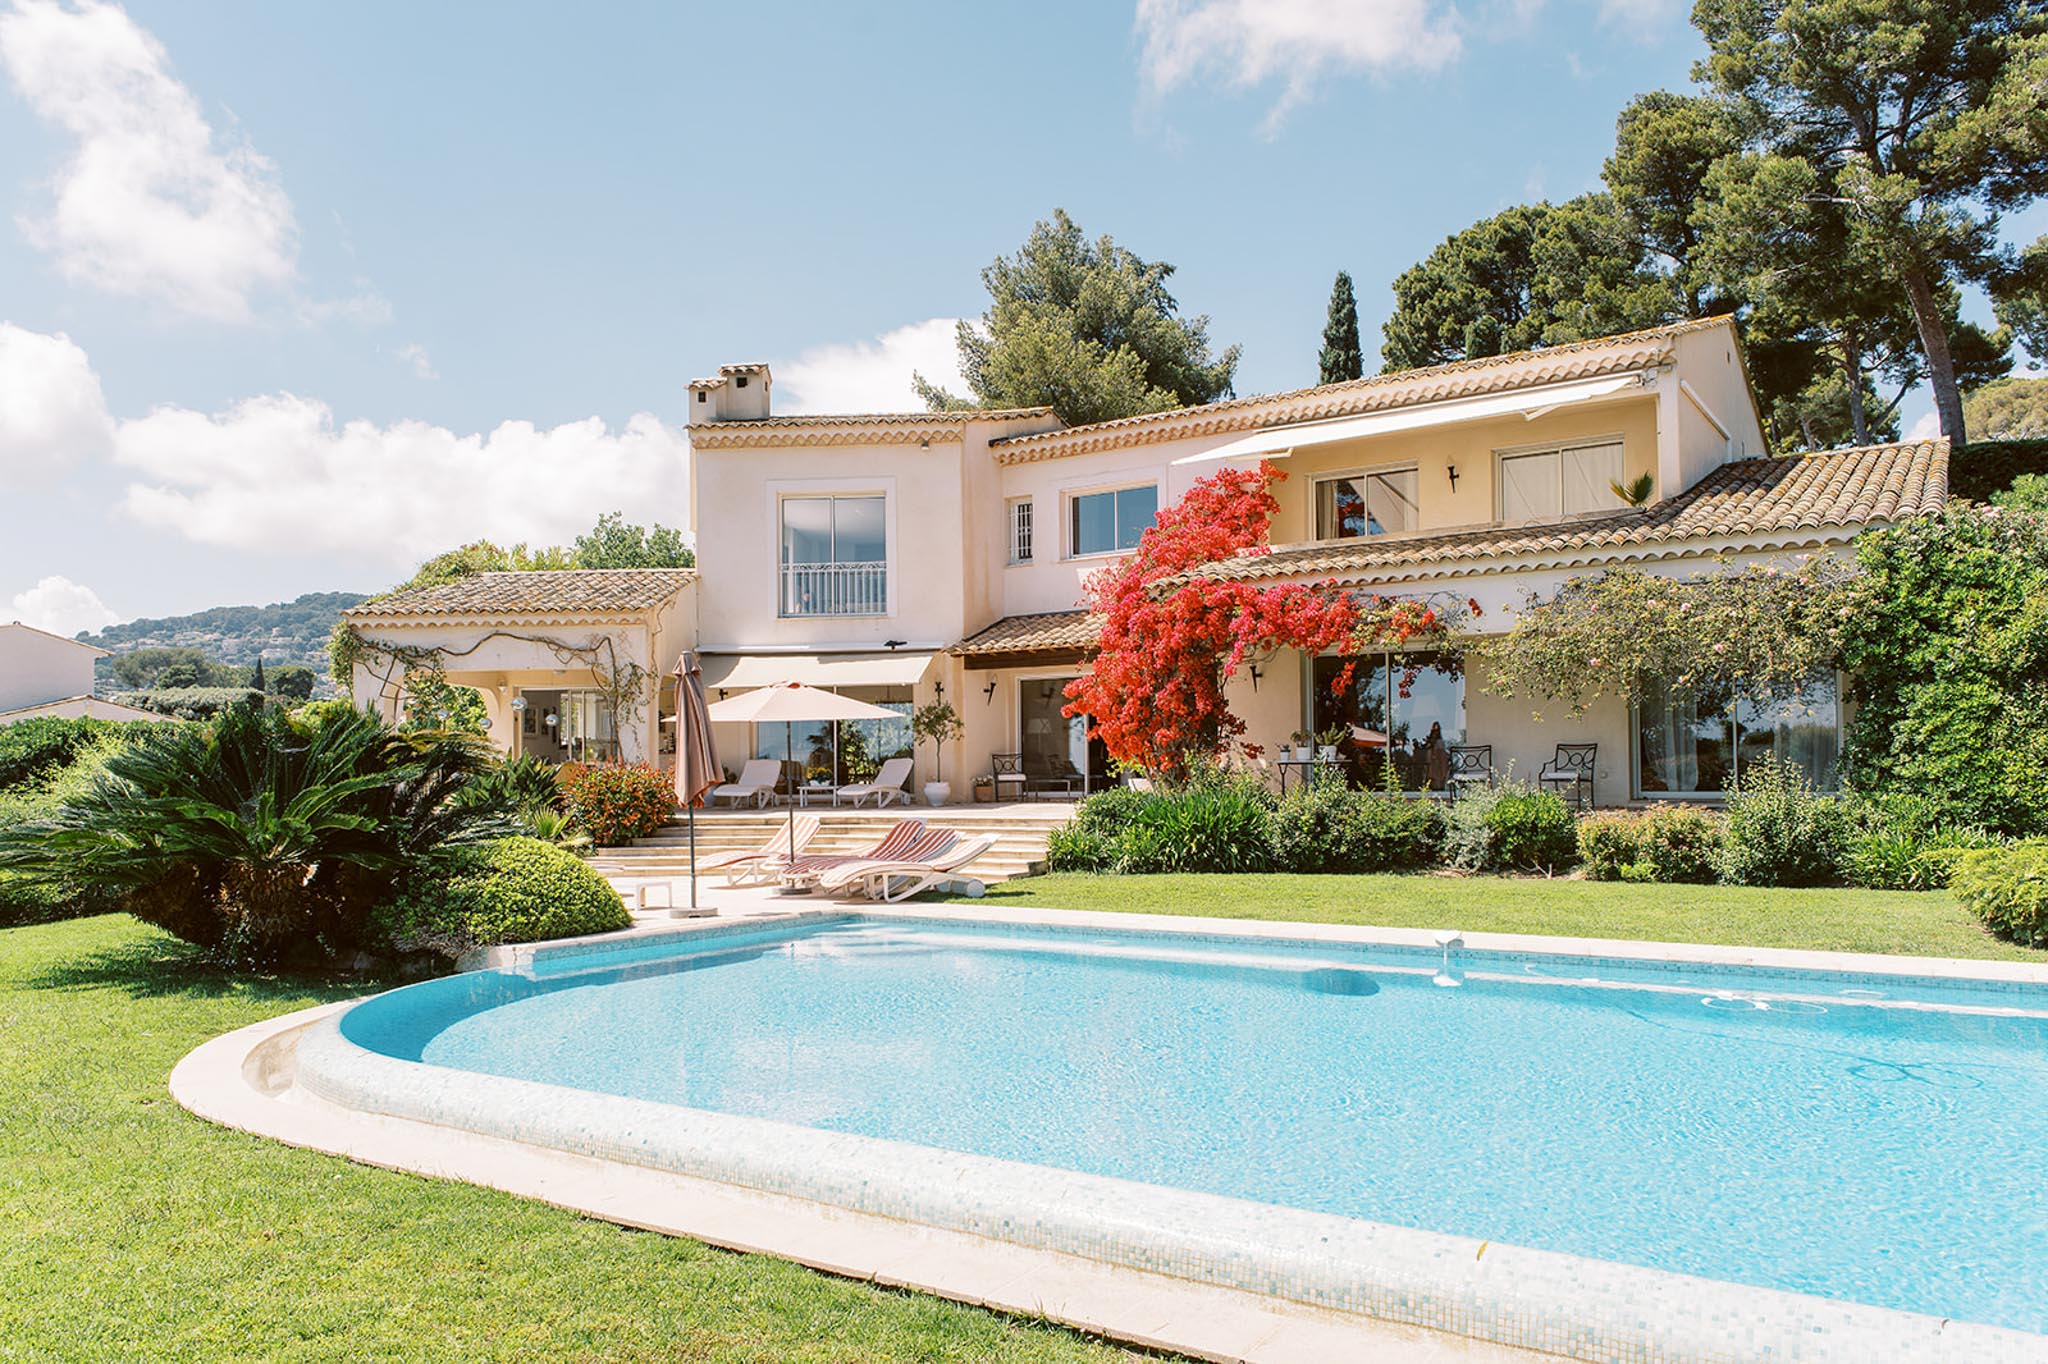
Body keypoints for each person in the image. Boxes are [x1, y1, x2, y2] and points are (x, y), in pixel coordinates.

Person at [1421, 721, 1450, 791]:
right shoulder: (1430, 743)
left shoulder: (1440, 742)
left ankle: (1439, 787)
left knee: (1437, 774)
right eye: (1434, 730)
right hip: (1431, 760)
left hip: (1438, 761)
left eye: (1437, 730)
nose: (1435, 733)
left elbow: (1442, 754)